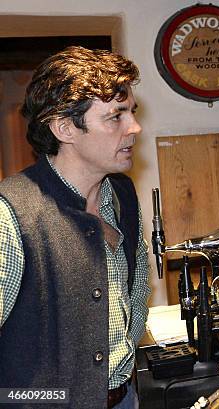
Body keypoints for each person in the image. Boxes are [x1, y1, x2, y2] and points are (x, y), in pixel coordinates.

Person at [0, 46, 150, 409]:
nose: (134, 127)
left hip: (123, 397)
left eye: (132, 111)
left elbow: (138, 286)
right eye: (115, 117)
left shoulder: (121, 193)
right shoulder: (11, 214)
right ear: (65, 128)